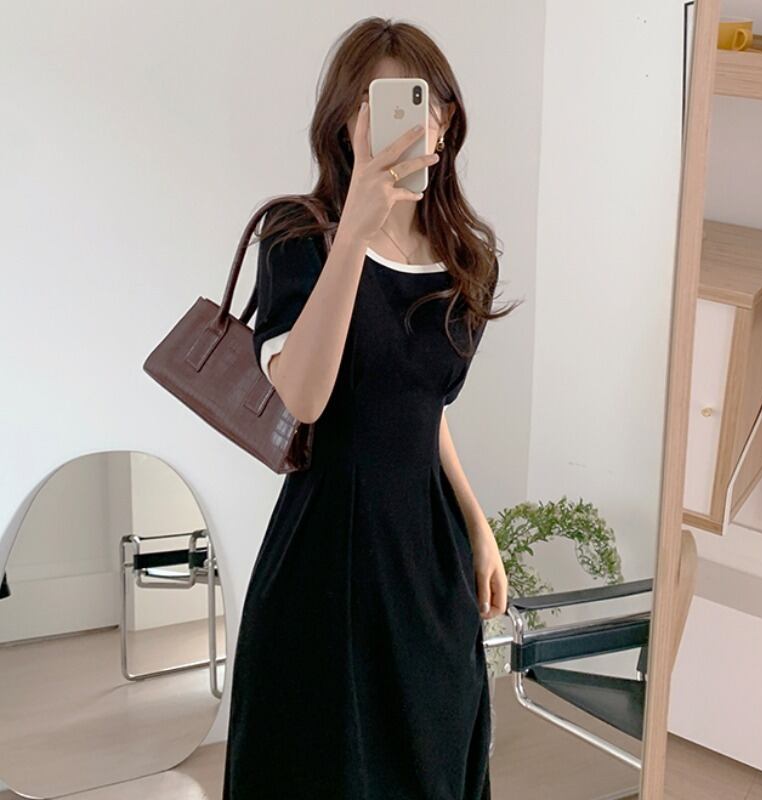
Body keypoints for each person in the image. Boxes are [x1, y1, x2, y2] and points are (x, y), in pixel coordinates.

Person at [222, 16, 517, 800]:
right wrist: (353, 231)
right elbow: (302, 397)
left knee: (432, 756)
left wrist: (478, 525)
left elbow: (422, 409)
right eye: (376, 104)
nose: (407, 124)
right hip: (327, 559)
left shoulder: (468, 259)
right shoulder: (298, 237)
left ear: (445, 121)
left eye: (422, 103)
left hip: (428, 560)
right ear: (345, 122)